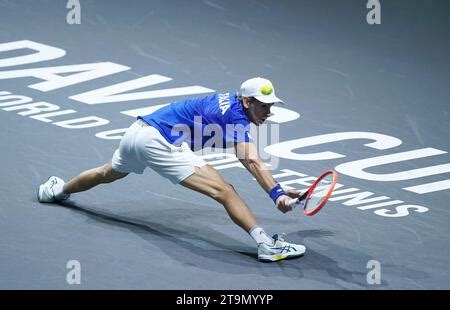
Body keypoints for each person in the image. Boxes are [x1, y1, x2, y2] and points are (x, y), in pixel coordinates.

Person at [37, 77, 306, 262]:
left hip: (138, 132)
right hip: (161, 141)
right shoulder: (235, 116)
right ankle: (267, 246)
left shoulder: (232, 106)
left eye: (271, 106)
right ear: (247, 102)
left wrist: (278, 187)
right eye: (263, 105)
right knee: (225, 191)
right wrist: (276, 194)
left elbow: (243, 155)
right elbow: (252, 161)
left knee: (107, 173)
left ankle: (56, 191)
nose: (268, 111)